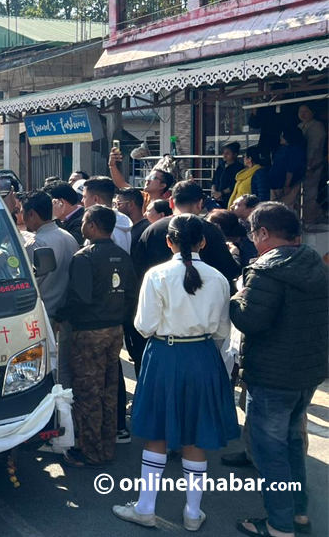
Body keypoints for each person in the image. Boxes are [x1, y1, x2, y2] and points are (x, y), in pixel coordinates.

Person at [113, 215, 238, 532]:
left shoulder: (156, 275)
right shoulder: (219, 279)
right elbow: (223, 330)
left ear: (169, 241)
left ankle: (145, 507)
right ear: (203, 242)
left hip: (165, 355)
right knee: (196, 436)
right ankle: (193, 514)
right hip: (203, 355)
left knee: (157, 432)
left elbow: (144, 325)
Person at [230, 203, 328, 537]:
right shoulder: (314, 261)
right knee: (291, 446)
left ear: (262, 233)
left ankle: (278, 525)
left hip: (272, 375)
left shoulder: (266, 270)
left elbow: (251, 321)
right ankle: (298, 515)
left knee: (271, 454)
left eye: (252, 233)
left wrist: (236, 298)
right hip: (307, 372)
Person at [56, 206, 136, 468]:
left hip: (89, 331)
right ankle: (107, 447)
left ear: (91, 225)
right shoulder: (122, 255)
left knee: (88, 392)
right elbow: (131, 295)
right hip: (115, 330)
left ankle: (90, 452)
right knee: (109, 390)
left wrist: (60, 315)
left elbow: (79, 298)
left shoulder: (85, 257)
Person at [134, 180, 240, 286]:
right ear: (200, 204)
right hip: (204, 298)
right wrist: (235, 255)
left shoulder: (152, 230)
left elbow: (138, 269)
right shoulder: (212, 231)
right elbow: (229, 271)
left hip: (160, 296)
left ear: (170, 202)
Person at [114, 187, 150, 441]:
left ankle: (144, 405)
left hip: (137, 305)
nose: (117, 206)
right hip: (134, 304)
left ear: (132, 205)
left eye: (120, 202)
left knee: (140, 357)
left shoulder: (142, 231)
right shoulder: (131, 229)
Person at [20, 191, 79, 317]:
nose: (22, 218)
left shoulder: (34, 245)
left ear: (31, 214)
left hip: (44, 315)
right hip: (67, 315)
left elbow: (28, 284)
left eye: (22, 212)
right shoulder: (69, 237)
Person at [109, 149, 174, 211]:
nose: (147, 180)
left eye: (153, 178)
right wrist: (112, 165)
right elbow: (122, 184)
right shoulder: (141, 197)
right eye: (148, 177)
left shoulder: (167, 205)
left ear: (162, 185)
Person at [81, 177, 132, 254]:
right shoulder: (123, 220)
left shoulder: (101, 228)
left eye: (85, 197)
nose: (82, 201)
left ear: (95, 199)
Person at [297, 103, 328, 225]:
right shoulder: (300, 126)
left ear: (312, 112)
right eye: (300, 111)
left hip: (313, 164)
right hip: (301, 164)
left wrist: (309, 166)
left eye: (306, 111)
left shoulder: (317, 126)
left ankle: (311, 218)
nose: (303, 114)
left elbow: (313, 147)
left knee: (310, 192)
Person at [269, 127, 306, 205]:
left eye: (283, 135)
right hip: (275, 183)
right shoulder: (282, 148)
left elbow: (291, 169)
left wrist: (287, 185)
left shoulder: (296, 150)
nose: (281, 137)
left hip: (284, 185)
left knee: (285, 208)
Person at [43, 180, 84, 245]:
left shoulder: (82, 221)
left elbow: (62, 244)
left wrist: (51, 221)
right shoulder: (62, 221)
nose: (46, 208)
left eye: (48, 204)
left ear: (60, 203)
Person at [212, 142, 244, 208]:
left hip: (230, 198)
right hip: (217, 198)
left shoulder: (239, 167)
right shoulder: (220, 166)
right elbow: (214, 180)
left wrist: (221, 193)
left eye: (228, 153)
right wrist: (215, 192)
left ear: (235, 154)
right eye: (224, 153)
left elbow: (234, 184)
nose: (224, 155)